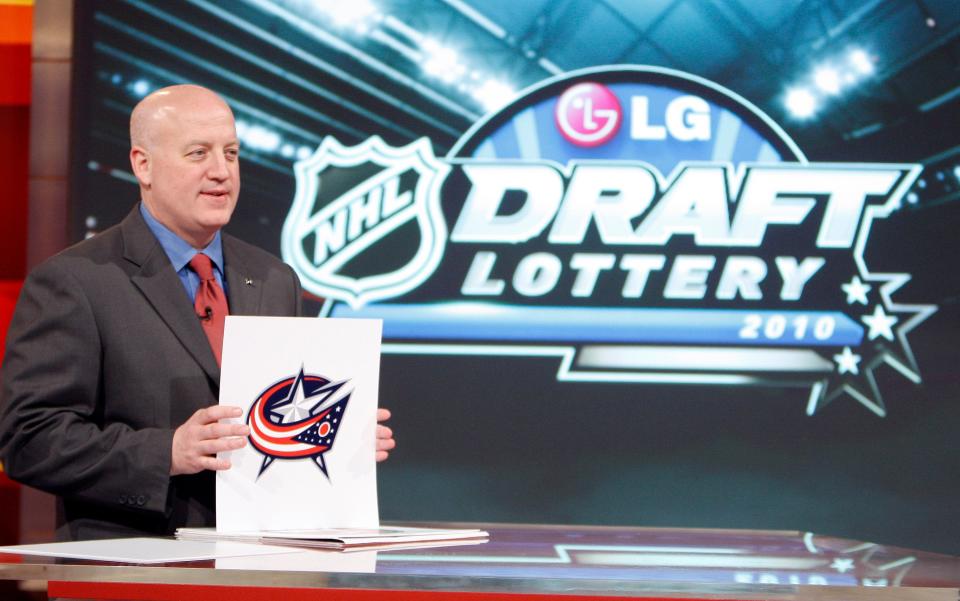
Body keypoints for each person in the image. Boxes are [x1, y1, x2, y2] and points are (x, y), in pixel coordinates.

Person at [0, 84, 395, 541]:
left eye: (230, 152)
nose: (221, 172)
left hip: (261, 567)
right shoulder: (77, 280)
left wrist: (337, 433)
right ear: (142, 165)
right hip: (131, 570)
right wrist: (167, 452)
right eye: (197, 154)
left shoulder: (273, 278)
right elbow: (30, 438)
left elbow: (280, 413)